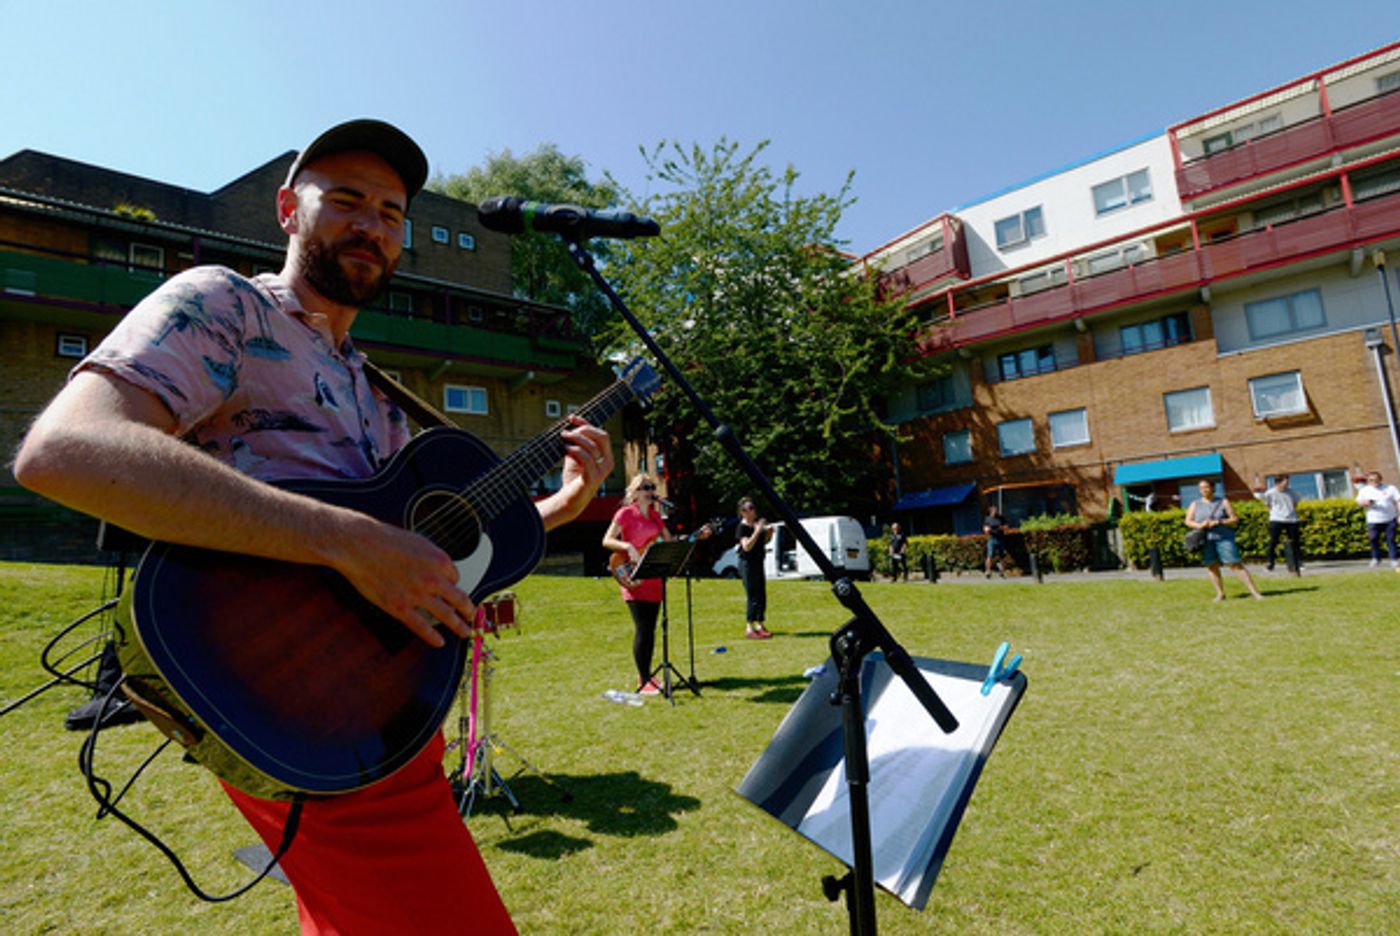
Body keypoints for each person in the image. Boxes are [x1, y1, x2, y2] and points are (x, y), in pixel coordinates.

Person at [13, 120, 614, 935]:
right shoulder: (222, 304)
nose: (373, 224)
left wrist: (563, 508)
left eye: (393, 213)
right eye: (349, 200)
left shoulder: (375, 389)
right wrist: (343, 540)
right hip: (284, 682)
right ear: (289, 210)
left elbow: (417, 554)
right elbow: (66, 452)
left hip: (381, 700)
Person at [601, 474, 673, 693]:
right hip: (632, 576)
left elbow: (667, 541)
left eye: (652, 487)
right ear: (635, 491)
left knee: (651, 629)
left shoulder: (654, 516)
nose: (650, 491)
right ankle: (644, 679)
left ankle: (648, 676)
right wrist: (627, 547)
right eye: (645, 487)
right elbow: (606, 540)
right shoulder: (625, 514)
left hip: (652, 577)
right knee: (642, 628)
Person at [1185, 479, 1263, 601]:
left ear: (1212, 488)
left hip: (1224, 538)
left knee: (1235, 564)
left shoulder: (1223, 502)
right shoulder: (1195, 504)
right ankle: (1220, 594)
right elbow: (1188, 521)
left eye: (1206, 487)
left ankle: (1254, 592)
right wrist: (1200, 525)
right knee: (1211, 566)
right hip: (1206, 540)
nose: (1204, 490)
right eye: (1201, 488)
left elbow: (1234, 519)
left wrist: (1219, 522)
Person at [735, 497, 773, 639]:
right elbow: (747, 546)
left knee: (761, 594)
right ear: (743, 512)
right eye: (749, 508)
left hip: (758, 562)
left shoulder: (755, 525)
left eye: (753, 507)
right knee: (752, 595)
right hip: (747, 564)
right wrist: (757, 531)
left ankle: (760, 625)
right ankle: (749, 628)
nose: (753, 510)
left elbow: (762, 542)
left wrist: (768, 535)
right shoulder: (742, 527)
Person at [1253, 474, 1302, 573]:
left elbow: (1296, 503)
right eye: (1285, 482)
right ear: (1278, 483)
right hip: (1276, 519)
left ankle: (1298, 563)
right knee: (1273, 542)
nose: (1287, 485)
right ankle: (1270, 564)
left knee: (1295, 542)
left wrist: (1290, 511)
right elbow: (1268, 504)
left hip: (1292, 520)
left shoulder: (1292, 492)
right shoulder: (1270, 493)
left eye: (1288, 482)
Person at [1354, 469, 1400, 569]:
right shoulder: (1364, 490)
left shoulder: (1390, 488)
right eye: (1370, 480)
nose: (1373, 482)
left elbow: (1398, 501)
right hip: (1373, 520)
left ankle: (1394, 559)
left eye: (1375, 480)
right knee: (1373, 539)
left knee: (1391, 539)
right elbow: (1358, 502)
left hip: (1390, 518)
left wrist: (1399, 515)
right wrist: (1365, 503)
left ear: (1380, 479)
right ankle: (1376, 558)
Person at [983, 506, 1008, 578]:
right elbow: (985, 529)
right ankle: (988, 571)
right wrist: (987, 529)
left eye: (996, 511)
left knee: (1002, 556)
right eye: (994, 511)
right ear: (991, 512)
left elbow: (1006, 526)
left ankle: (1002, 571)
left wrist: (1002, 527)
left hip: (1001, 539)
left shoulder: (1001, 518)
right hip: (992, 539)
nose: (995, 512)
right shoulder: (988, 519)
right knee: (990, 555)